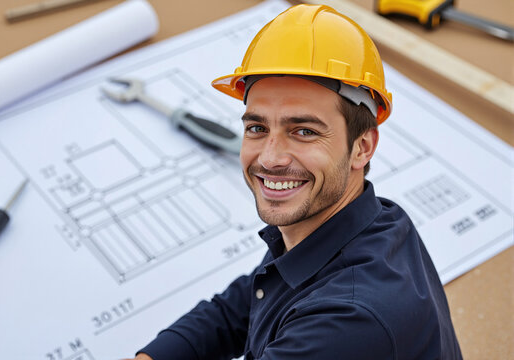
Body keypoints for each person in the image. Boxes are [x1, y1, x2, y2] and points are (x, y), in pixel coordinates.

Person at [127, 4, 462, 359]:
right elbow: (246, 304)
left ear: (362, 147)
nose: (270, 158)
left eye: (303, 131)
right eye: (257, 128)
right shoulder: (349, 221)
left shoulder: (350, 320)